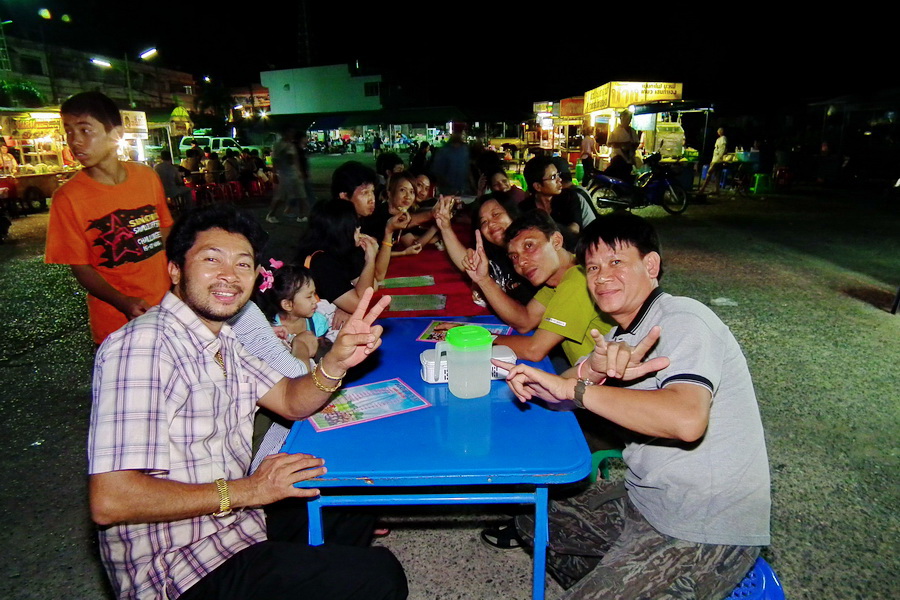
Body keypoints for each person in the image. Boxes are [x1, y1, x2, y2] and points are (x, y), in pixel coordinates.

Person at [88, 204, 407, 600]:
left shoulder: (223, 340)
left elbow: (290, 399)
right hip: (179, 567)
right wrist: (250, 490)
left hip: (237, 527)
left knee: (351, 498)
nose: (229, 275)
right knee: (378, 576)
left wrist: (334, 363)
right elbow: (112, 498)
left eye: (242, 264)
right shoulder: (144, 346)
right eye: (212, 259)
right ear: (175, 269)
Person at [489, 212, 770, 599]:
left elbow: (688, 420)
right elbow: (558, 393)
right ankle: (621, 578)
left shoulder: (684, 319)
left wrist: (580, 391)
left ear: (650, 266)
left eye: (616, 262)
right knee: (532, 516)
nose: (601, 277)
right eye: (592, 267)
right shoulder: (619, 335)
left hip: (703, 522)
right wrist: (580, 373)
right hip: (646, 500)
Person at [45, 91, 175, 345]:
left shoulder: (146, 177)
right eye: (69, 131)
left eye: (85, 130)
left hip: (167, 310)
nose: (75, 141)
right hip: (115, 326)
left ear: (116, 134)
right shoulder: (67, 198)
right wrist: (122, 301)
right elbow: (81, 267)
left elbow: (165, 229)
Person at [466, 210, 612, 366]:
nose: (521, 262)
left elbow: (534, 350)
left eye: (529, 246)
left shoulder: (578, 280)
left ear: (556, 241)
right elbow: (525, 320)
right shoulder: (558, 278)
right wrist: (483, 280)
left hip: (603, 379)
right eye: (514, 256)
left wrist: (471, 339)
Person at [433, 192, 536, 305]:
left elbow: (528, 315)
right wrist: (445, 228)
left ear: (512, 214)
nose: (490, 224)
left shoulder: (534, 251)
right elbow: (468, 264)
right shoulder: (498, 254)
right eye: (484, 222)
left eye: (496, 214)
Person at [519, 156, 587, 247]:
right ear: (538, 186)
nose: (559, 180)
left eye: (558, 174)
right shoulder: (525, 208)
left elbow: (574, 229)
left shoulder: (569, 197)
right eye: (553, 177)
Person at [266, 128, 308, 223]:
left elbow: (295, 159)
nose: (291, 134)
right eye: (290, 132)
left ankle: (301, 215)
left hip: (294, 173)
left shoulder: (291, 144)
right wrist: (274, 173)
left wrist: (299, 171)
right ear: (285, 133)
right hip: (284, 173)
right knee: (281, 196)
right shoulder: (279, 145)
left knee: (301, 195)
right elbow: (275, 160)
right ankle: (271, 214)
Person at [606, 111, 639, 182]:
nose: (627, 121)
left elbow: (636, 143)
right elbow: (609, 144)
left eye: (629, 119)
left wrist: (632, 146)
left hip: (629, 160)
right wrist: (623, 145)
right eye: (625, 119)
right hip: (618, 160)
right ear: (621, 119)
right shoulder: (616, 131)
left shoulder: (632, 131)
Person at [699, 127, 728, 194]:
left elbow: (723, 149)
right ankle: (717, 190)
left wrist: (720, 158)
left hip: (718, 159)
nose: (718, 132)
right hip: (715, 158)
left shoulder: (723, 139)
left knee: (709, 173)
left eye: (720, 131)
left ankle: (703, 188)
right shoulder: (718, 139)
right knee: (717, 175)